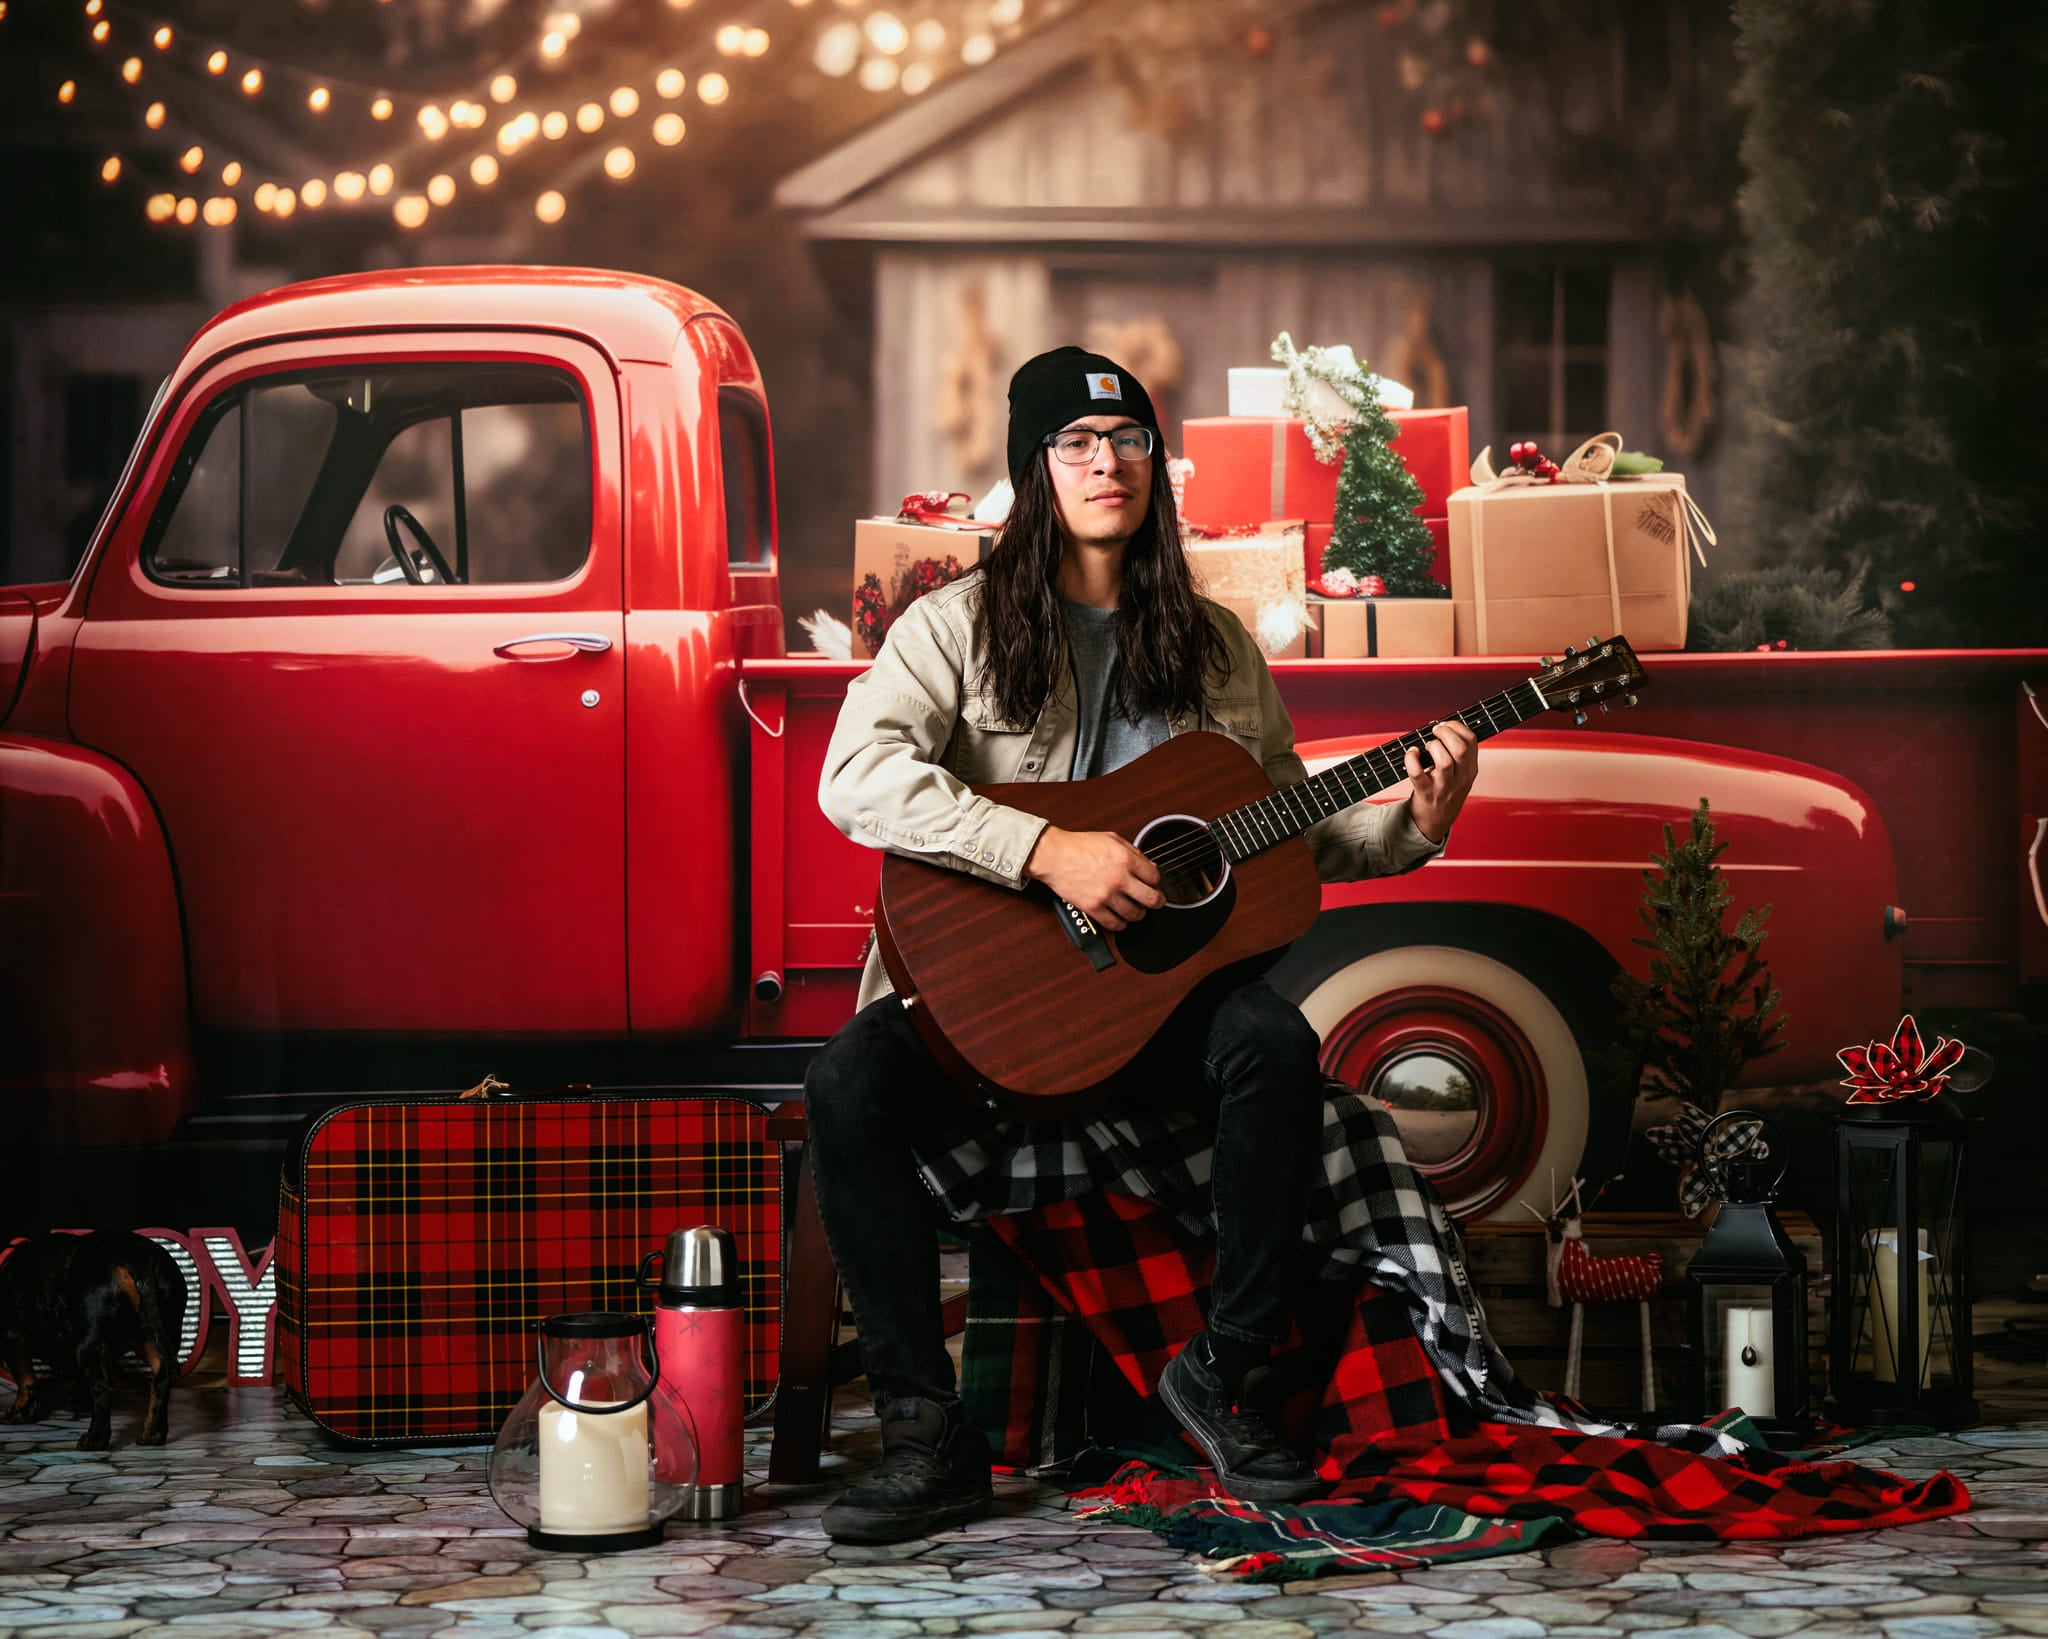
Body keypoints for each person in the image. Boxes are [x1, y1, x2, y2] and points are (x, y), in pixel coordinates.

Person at [805, 346, 1479, 1543]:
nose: (1104, 463)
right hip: (991, 1007)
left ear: (1153, 464)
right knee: (846, 1078)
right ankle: (927, 1435)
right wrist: (1040, 850)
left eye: (1126, 442)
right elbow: (856, 779)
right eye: (1073, 443)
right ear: (1034, 467)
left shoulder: (1216, 645)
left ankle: (1220, 1374)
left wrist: (1408, 826)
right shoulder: (948, 628)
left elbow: (1279, 829)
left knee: (1270, 1037)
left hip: (1151, 1013)